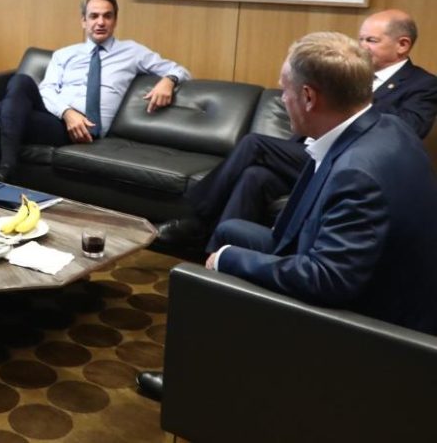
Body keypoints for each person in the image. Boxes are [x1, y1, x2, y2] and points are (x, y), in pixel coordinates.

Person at [137, 31, 437, 401]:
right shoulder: (383, 127)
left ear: (309, 97)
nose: (282, 99)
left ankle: (198, 383)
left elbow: (329, 279)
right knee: (231, 231)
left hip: (367, 322)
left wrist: (231, 260)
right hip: (351, 268)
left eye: (285, 91)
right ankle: (210, 352)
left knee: (227, 257)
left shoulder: (358, 173)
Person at [157, 9, 437, 251]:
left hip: (339, 158)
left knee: (255, 144)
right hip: (306, 152)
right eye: (360, 39)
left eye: (371, 40)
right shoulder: (360, 74)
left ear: (402, 45)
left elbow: (409, 127)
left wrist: (354, 95)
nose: (362, 47)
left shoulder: (421, 84)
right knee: (255, 176)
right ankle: (216, 255)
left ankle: (196, 217)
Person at [0, 0, 191, 181]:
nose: (101, 22)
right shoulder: (65, 54)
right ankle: (1, 170)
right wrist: (67, 112)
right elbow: (47, 90)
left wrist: (169, 80)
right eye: (94, 16)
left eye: (107, 16)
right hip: (57, 119)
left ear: (115, 21)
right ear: (83, 22)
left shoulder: (132, 52)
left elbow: (179, 69)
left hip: (85, 130)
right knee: (19, 83)